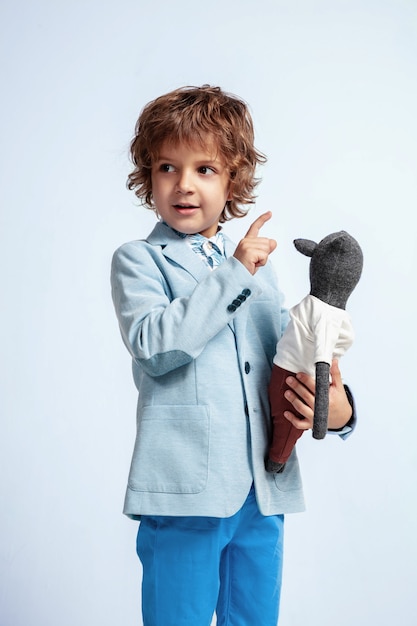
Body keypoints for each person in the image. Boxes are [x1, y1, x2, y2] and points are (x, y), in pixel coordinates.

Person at [111, 85, 355, 626]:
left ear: (233, 181)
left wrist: (340, 411)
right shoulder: (140, 261)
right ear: (147, 177)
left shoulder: (257, 268)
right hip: (185, 491)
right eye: (167, 167)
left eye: (205, 169)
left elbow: (286, 357)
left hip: (263, 491)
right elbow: (155, 346)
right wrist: (235, 272)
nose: (184, 185)